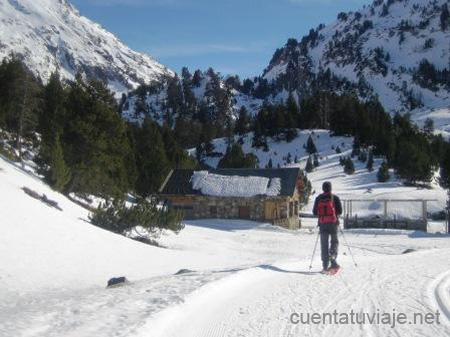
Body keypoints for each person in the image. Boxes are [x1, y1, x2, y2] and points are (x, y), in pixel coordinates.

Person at [313, 181, 342, 273]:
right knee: (334, 241)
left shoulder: (318, 198)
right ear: (330, 188)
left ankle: (325, 266)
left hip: (322, 224)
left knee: (324, 245)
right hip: (333, 223)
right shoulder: (335, 198)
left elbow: (314, 212)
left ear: (323, 188)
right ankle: (332, 258)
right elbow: (340, 211)